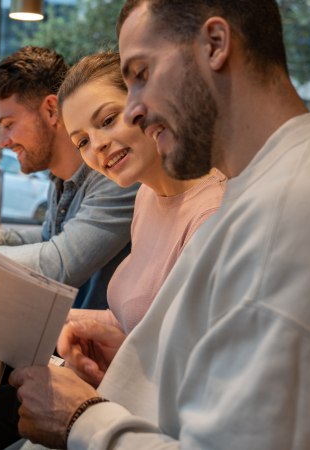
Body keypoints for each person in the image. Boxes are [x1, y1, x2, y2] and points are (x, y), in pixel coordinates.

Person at [7, 1, 310, 449]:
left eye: (141, 75)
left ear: (215, 45)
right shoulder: (260, 188)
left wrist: (79, 419)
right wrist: (140, 358)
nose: (134, 109)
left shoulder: (306, 212)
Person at [57, 51, 225, 350]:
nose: (97, 145)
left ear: (147, 105)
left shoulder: (211, 216)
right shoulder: (147, 195)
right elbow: (132, 323)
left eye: (108, 120)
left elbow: (191, 366)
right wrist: (51, 320)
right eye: (82, 141)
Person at [0, 46, 139, 311]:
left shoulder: (118, 175)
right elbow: (50, 238)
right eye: (83, 140)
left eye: (8, 125)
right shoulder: (60, 178)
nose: (4, 142)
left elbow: (58, 263)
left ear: (51, 110)